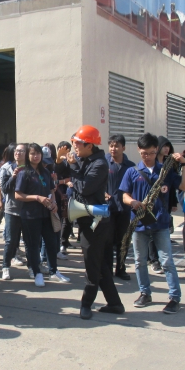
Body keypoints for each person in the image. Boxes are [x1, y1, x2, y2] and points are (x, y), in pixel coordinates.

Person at [56, 126, 123, 319]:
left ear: (89, 145)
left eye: (78, 143)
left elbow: (84, 188)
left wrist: (73, 168)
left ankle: (86, 304)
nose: (75, 147)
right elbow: (59, 172)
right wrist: (61, 161)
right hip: (88, 218)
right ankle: (115, 304)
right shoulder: (85, 159)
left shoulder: (99, 164)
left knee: (92, 265)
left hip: (96, 221)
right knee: (99, 265)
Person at [120, 133, 185, 314]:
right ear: (139, 150)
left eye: (151, 153)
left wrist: (184, 164)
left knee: (167, 261)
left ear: (156, 150)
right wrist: (132, 202)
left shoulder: (165, 171)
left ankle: (174, 297)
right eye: (144, 153)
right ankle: (145, 293)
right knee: (139, 261)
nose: (148, 156)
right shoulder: (132, 171)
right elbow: (124, 195)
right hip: (139, 224)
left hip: (161, 223)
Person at [15, 143, 70, 287]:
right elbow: (18, 195)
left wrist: (54, 202)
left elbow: (52, 189)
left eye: (38, 153)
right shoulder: (24, 173)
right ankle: (36, 272)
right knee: (33, 245)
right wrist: (37, 198)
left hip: (47, 214)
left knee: (51, 243)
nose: (36, 156)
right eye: (32, 153)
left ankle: (54, 271)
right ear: (28, 155)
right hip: (30, 215)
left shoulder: (45, 172)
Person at [103, 134, 135, 281]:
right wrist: (102, 193)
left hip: (124, 209)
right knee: (108, 240)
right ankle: (108, 270)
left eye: (116, 146)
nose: (113, 149)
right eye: (111, 146)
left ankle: (121, 269)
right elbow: (97, 182)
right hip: (108, 208)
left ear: (123, 147)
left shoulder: (131, 166)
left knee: (123, 241)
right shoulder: (104, 164)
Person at [147, 136, 177, 274]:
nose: (167, 149)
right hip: (151, 203)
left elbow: (172, 186)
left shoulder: (169, 164)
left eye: (168, 146)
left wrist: (174, 202)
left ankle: (158, 258)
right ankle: (154, 260)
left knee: (162, 230)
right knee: (151, 231)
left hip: (165, 202)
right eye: (164, 146)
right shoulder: (150, 164)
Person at [0, 143, 28, 280]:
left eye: (21, 151)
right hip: (11, 209)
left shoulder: (30, 168)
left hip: (28, 210)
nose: (18, 153)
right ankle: (5, 267)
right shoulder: (6, 168)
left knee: (29, 241)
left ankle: (34, 267)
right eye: (16, 150)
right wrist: (14, 176)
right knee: (10, 241)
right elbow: (4, 188)